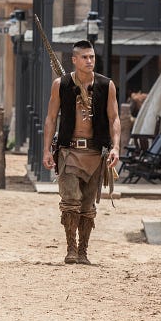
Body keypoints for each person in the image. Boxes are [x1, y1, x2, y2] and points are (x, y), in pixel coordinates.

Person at [43, 39, 120, 265]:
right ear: (74, 60)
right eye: (84, 57)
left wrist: (115, 146)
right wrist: (47, 150)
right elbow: (50, 117)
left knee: (87, 205)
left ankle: (83, 251)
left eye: (92, 57)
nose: (89, 61)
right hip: (68, 151)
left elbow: (114, 118)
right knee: (70, 201)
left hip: (95, 153)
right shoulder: (62, 84)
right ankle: (71, 249)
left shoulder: (107, 86)